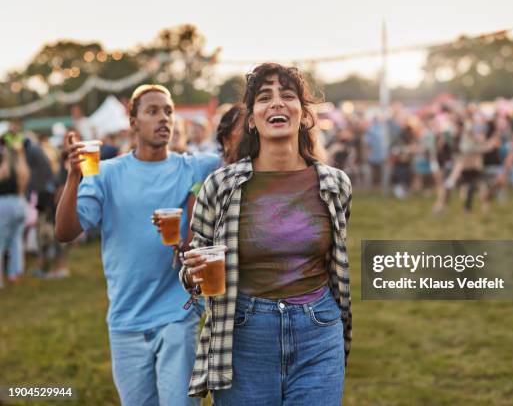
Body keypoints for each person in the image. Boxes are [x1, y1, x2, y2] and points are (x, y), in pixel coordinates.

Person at [180, 63, 352, 404]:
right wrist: (195, 272)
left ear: (303, 115)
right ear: (251, 118)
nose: (276, 103)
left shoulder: (334, 185)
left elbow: (336, 261)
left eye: (288, 96)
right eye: (264, 98)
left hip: (317, 330)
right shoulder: (220, 186)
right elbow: (191, 269)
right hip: (245, 334)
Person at [55, 84, 220, 406]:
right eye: (153, 111)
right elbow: (65, 231)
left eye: (168, 111)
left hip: (177, 314)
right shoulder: (105, 173)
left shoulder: (196, 167)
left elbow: (241, 155)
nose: (164, 118)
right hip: (126, 319)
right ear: (133, 122)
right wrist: (73, 178)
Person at [0, 124, 31, 286]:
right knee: (16, 240)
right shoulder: (20, 162)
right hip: (20, 203)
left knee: (2, 241)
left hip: (4, 203)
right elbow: (24, 181)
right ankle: (14, 273)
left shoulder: (6, 162)